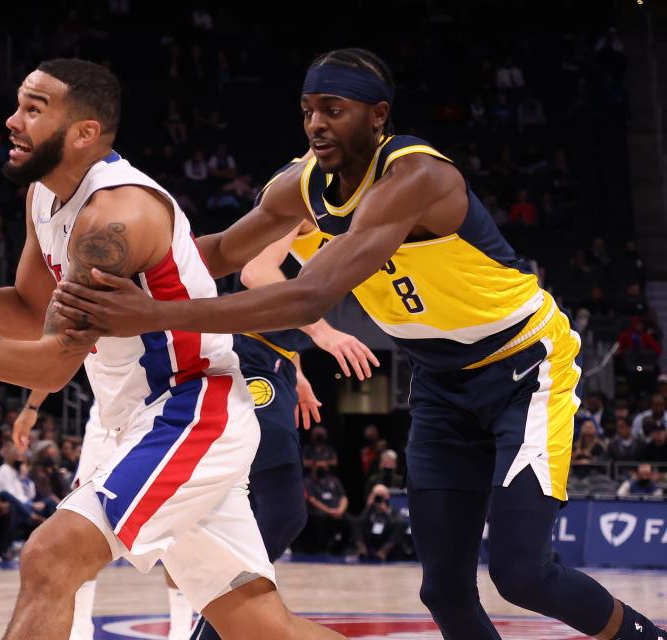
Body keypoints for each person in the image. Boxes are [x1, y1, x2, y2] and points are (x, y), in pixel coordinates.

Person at [53, 48, 666, 640]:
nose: (317, 123)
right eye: (308, 109)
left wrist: (153, 311)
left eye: (334, 109)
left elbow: (309, 297)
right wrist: (115, 265)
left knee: (521, 574)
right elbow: (214, 253)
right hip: (438, 381)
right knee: (444, 591)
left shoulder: (418, 177)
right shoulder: (302, 184)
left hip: (524, 369)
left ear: (378, 116)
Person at [0, 58, 344, 640]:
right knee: (259, 625)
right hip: (145, 416)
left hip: (191, 409)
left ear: (84, 133)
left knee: (49, 557)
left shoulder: (112, 219)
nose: (12, 121)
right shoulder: (45, 199)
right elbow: (27, 312)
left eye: (33, 110)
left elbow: (54, 359)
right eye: (19, 104)